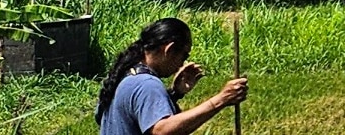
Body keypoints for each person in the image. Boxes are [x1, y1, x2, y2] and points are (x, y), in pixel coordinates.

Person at [97, 18, 249, 135]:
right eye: (184, 55)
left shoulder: (126, 73)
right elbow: (162, 130)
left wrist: (174, 94)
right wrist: (221, 100)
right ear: (169, 50)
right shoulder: (147, 84)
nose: (183, 62)